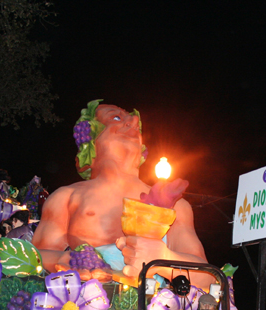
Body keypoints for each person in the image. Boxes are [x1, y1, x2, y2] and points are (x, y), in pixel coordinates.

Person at [33, 102, 212, 287]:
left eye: (137, 123)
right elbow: (32, 257)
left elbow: (207, 277)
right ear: (90, 138)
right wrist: (69, 259)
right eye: (116, 118)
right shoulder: (67, 198)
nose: (134, 121)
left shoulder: (175, 205)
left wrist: (164, 259)